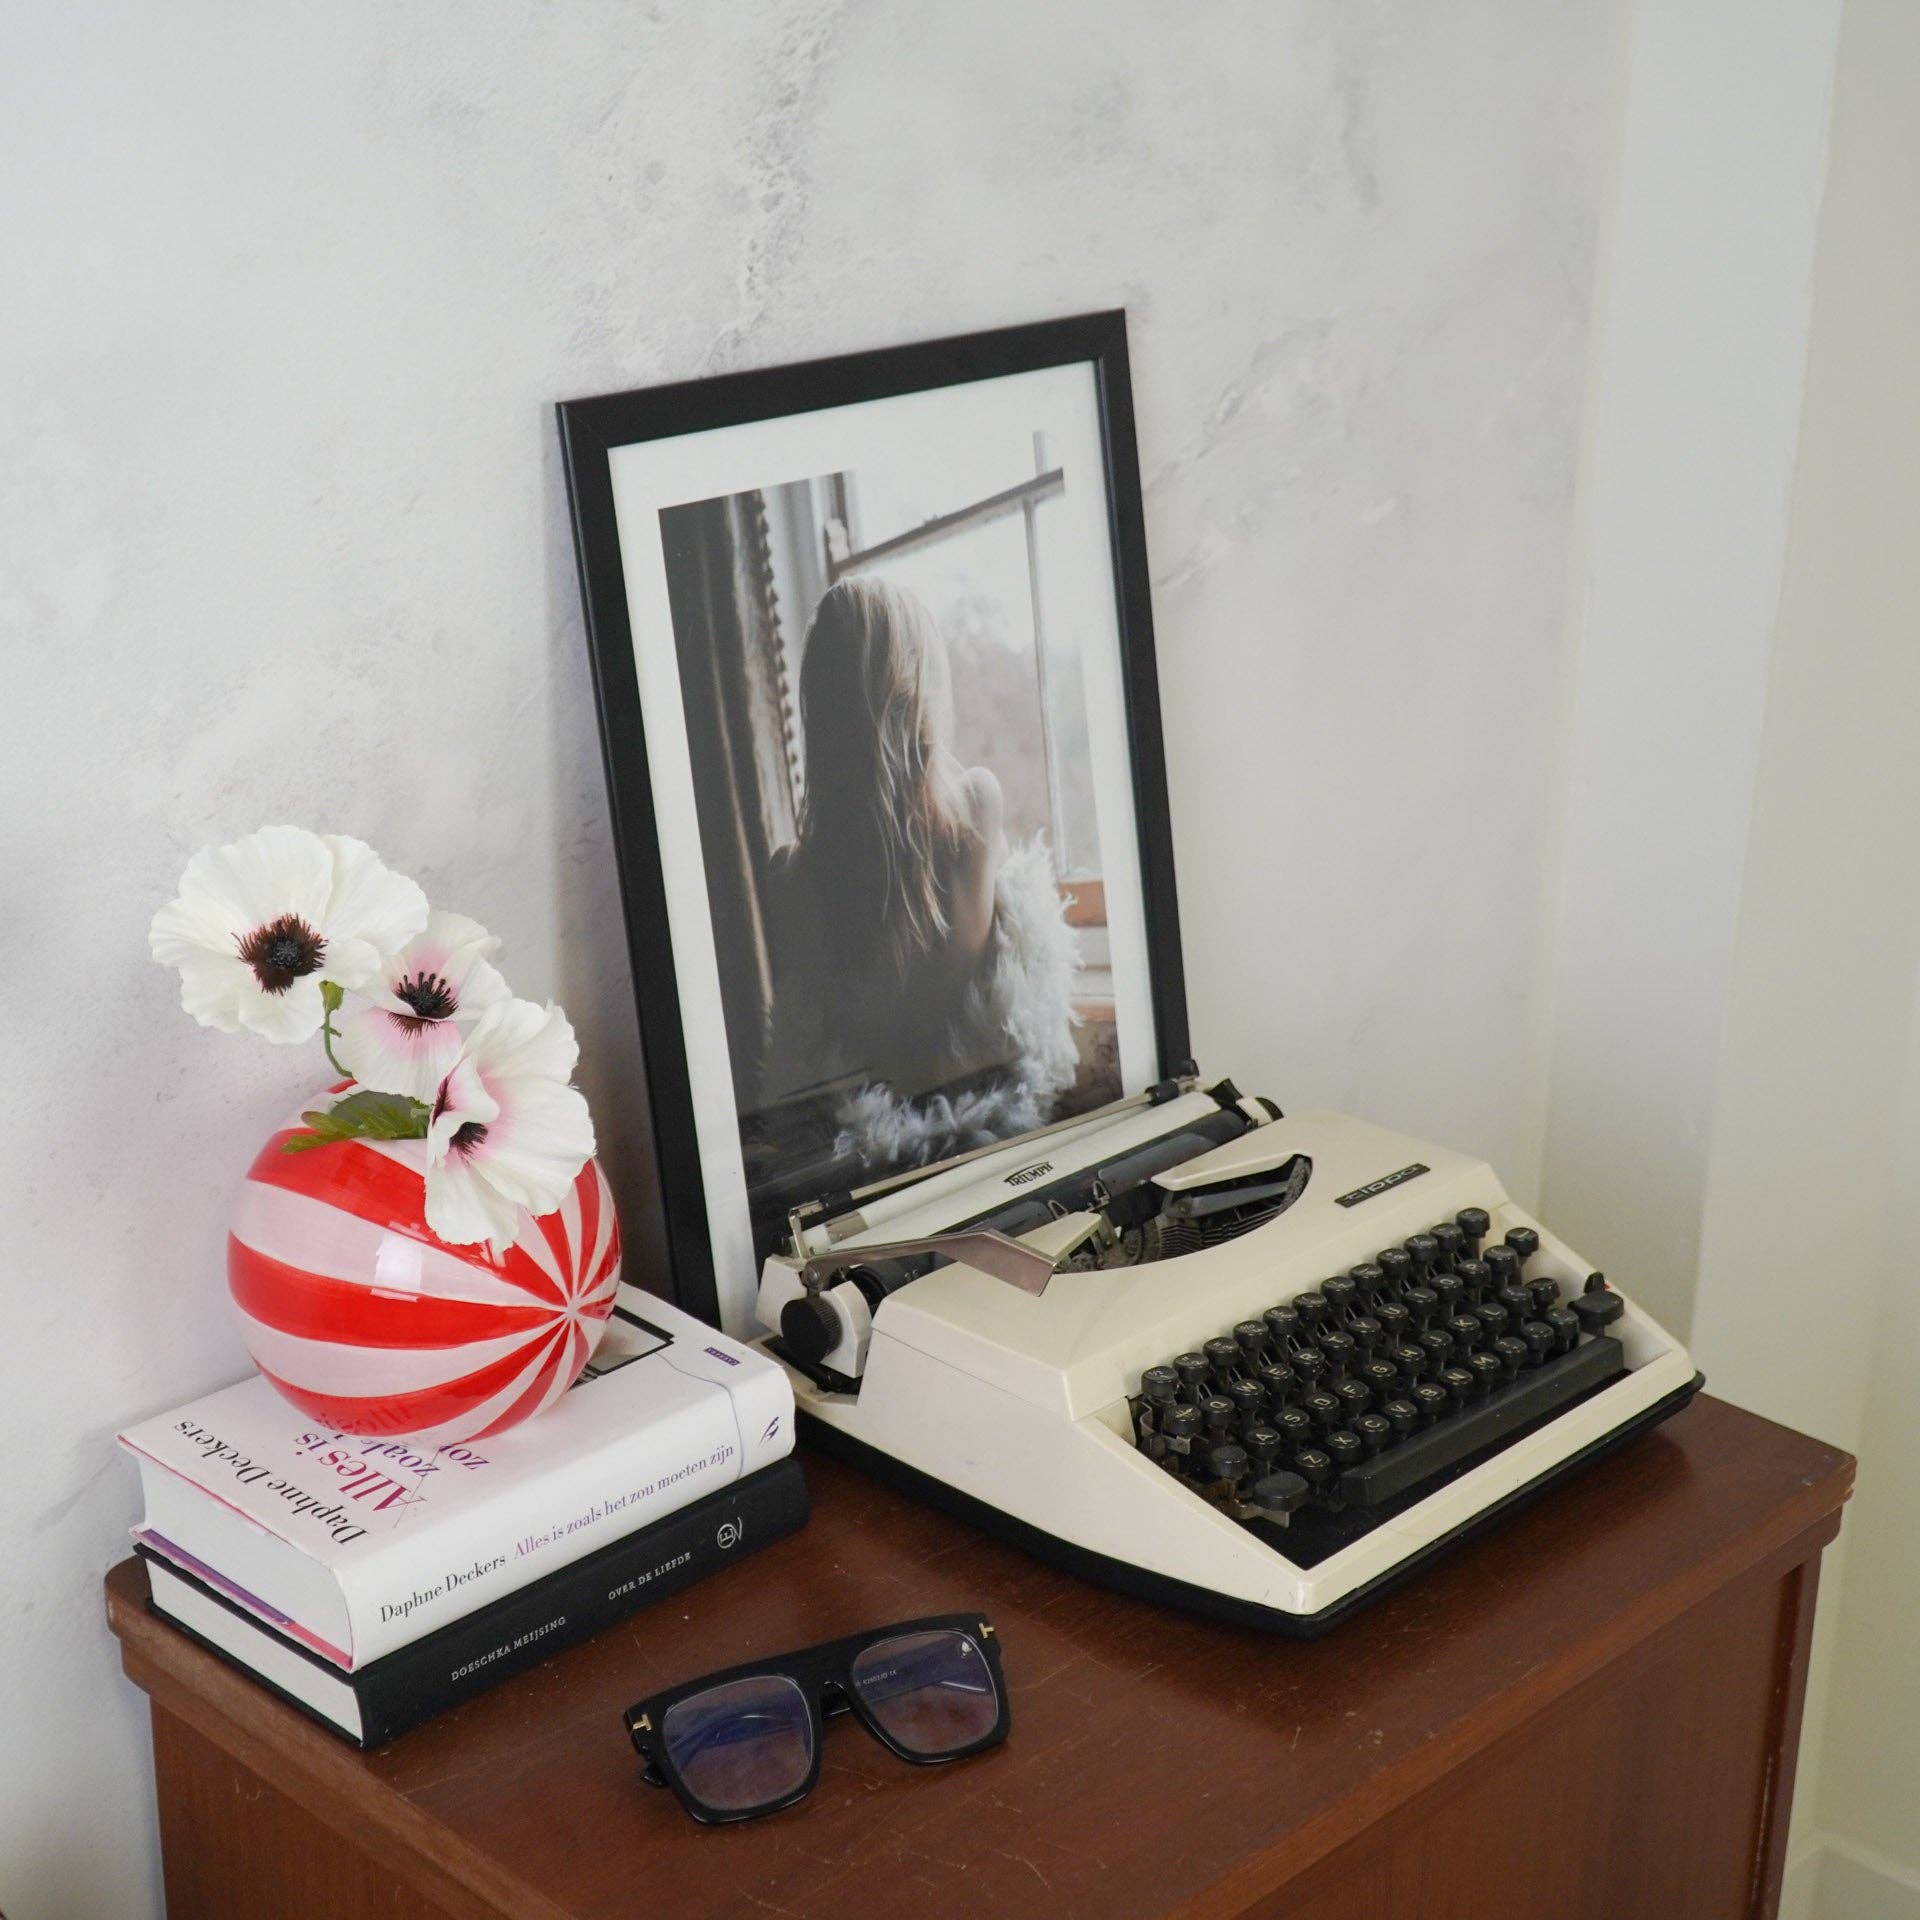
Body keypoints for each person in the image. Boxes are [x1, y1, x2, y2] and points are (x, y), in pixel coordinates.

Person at [759, 575, 1076, 1160]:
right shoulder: (974, 809)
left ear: (819, 710)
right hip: (980, 1137)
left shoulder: (789, 880)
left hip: (867, 1157)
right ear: (918, 690)